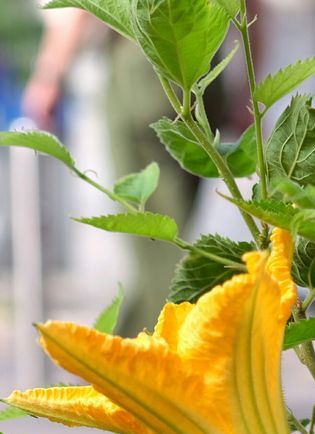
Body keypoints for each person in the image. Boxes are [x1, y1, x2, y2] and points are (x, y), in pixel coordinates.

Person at [23, 9, 210, 335]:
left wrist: (48, 77)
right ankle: (133, 356)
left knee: (158, 238)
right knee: (166, 240)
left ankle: (148, 361)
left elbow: (76, 7)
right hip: (206, 65)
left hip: (146, 62)